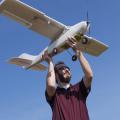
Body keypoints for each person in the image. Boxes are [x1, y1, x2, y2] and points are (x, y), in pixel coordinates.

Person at [42, 37, 93, 120]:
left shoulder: (79, 89)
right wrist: (50, 62)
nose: (66, 70)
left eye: (67, 68)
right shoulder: (55, 95)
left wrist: (78, 52)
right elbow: (51, 85)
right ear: (56, 76)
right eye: (62, 69)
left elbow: (89, 75)